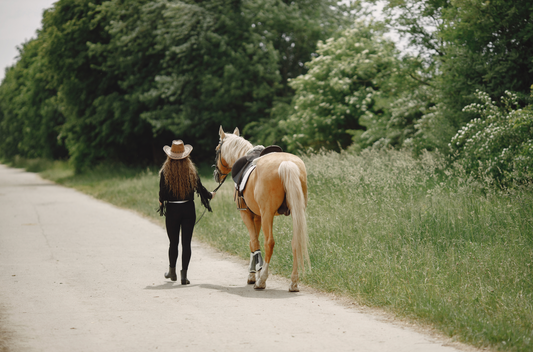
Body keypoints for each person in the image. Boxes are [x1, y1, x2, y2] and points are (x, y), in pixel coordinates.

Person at [158, 140, 215, 284]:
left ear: (170, 156)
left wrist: (161, 201)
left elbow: (162, 195)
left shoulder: (165, 171)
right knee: (186, 243)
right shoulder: (191, 171)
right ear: (186, 156)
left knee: (173, 243)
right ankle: (184, 276)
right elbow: (201, 189)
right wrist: (210, 195)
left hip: (172, 210)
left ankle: (172, 272)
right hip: (188, 209)